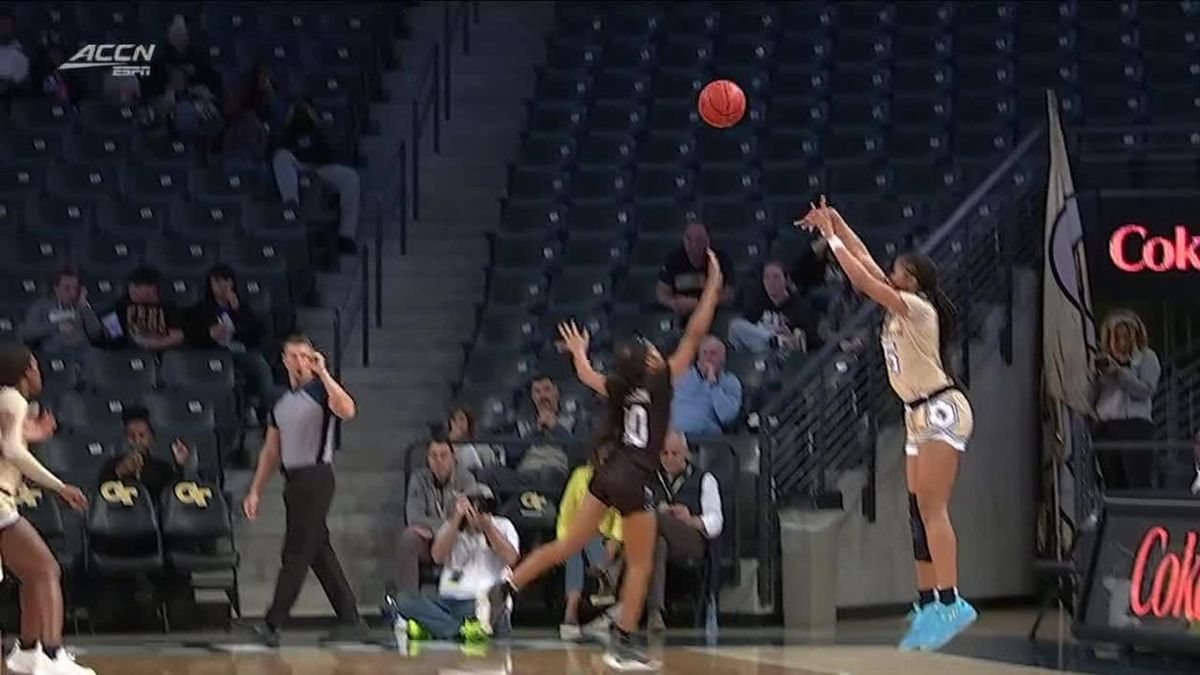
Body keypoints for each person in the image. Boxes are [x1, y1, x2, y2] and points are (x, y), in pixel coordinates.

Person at [481, 249, 724, 671]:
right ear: (649, 363)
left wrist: (578, 351)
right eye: (651, 350)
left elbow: (585, 375)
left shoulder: (618, 387)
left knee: (569, 544)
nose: (656, 350)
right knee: (643, 562)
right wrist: (714, 285)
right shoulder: (663, 379)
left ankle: (505, 588)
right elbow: (696, 332)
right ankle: (622, 643)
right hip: (635, 479)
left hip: (608, 472)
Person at [801, 196, 976, 652]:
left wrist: (832, 238)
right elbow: (866, 263)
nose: (889, 272)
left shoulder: (918, 309)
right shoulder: (901, 303)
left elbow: (859, 276)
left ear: (912, 281)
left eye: (896, 270)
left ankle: (953, 601)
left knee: (933, 508)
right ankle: (927, 603)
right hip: (916, 413)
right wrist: (834, 221)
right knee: (916, 513)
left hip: (940, 407)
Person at [240, 335, 364, 646]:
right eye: (293, 356)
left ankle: (272, 623)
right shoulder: (280, 401)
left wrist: (324, 373)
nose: (299, 362)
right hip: (293, 480)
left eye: (305, 356)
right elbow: (271, 450)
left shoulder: (322, 390)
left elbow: (348, 410)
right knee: (318, 551)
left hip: (316, 476)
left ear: (313, 359)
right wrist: (255, 490)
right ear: (283, 360)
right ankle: (351, 619)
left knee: (295, 552)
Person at [0, 344, 94, 675]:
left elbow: (9, 442)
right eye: (36, 366)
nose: (40, 372)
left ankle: (26, 652)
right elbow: (11, 450)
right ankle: (52, 657)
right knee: (46, 570)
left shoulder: (5, 401)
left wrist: (30, 433)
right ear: (26, 372)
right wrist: (60, 486)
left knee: (31, 574)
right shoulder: (14, 397)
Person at [392, 484, 519, 642]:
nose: (476, 510)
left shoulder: (503, 525)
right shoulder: (451, 527)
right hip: (447, 602)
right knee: (405, 601)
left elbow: (511, 558)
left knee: (491, 612)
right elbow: (437, 556)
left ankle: (441, 628)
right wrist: (457, 518)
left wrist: (487, 527)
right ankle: (460, 631)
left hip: (482, 603)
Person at [645, 432, 723, 632]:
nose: (669, 459)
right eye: (664, 454)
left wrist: (690, 520)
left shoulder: (705, 479)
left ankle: (614, 568)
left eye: (675, 453)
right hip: (658, 541)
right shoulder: (651, 480)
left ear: (686, 454)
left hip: (692, 541)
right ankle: (655, 613)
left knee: (655, 517)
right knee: (658, 543)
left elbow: (716, 521)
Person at [272, 99, 361, 253]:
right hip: (296, 164)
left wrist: (316, 122)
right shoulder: (285, 130)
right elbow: (274, 149)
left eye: (304, 109)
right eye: (297, 109)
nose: (301, 112)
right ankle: (292, 209)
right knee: (281, 157)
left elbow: (330, 151)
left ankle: (346, 236)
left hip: (321, 166)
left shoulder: (320, 129)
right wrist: (288, 123)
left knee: (351, 177)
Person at [186, 264, 277, 414]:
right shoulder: (201, 308)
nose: (221, 286)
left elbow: (258, 332)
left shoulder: (241, 307)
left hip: (241, 351)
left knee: (260, 363)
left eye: (225, 281)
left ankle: (267, 413)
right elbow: (193, 335)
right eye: (217, 282)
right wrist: (210, 334)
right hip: (215, 353)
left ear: (232, 283)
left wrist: (237, 311)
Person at [557, 443, 623, 641]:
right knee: (575, 544)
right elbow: (565, 513)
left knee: (583, 539)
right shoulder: (580, 476)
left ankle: (570, 614)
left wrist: (611, 549)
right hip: (578, 537)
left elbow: (621, 521)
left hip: (607, 541)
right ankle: (602, 582)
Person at [394, 439, 477, 594]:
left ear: (453, 457)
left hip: (457, 540)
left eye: (443, 455)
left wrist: (445, 529)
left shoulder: (467, 480)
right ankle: (408, 605)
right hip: (429, 541)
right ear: (428, 459)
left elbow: (469, 520)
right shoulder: (419, 479)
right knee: (408, 538)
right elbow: (414, 517)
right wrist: (441, 528)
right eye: (433, 456)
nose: (438, 461)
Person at [1091, 309, 1161, 491]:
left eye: (1126, 336)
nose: (1122, 342)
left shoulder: (1146, 357)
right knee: (1112, 482)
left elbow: (1146, 390)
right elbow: (1093, 396)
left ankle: (1141, 518)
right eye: (1117, 337)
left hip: (1134, 425)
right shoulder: (1102, 359)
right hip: (1106, 426)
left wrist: (1121, 374)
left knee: (1138, 482)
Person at [97, 405, 198, 501]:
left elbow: (173, 499)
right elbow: (99, 499)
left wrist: (179, 465)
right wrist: (118, 473)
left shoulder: (162, 468)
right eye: (131, 435)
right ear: (125, 438)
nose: (137, 440)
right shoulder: (112, 465)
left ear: (150, 438)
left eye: (141, 435)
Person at [727, 261, 819, 354]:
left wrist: (792, 333)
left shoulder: (799, 306)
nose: (771, 282)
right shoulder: (758, 303)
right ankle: (774, 340)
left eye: (776, 277)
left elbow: (807, 338)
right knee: (735, 325)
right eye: (766, 277)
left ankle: (776, 341)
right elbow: (746, 329)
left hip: (784, 355)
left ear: (787, 280)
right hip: (760, 351)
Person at [656, 222, 735, 319]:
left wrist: (697, 304)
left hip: (714, 314)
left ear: (708, 241)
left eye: (699, 239)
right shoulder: (673, 260)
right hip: (681, 314)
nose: (693, 244)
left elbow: (728, 295)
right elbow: (662, 293)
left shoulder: (721, 260)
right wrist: (673, 304)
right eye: (688, 239)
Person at [18, 267, 103, 354]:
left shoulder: (84, 307)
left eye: (75, 288)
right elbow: (28, 333)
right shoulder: (41, 307)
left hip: (81, 355)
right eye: (67, 288)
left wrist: (84, 306)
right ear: (56, 288)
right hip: (52, 354)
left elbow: (96, 334)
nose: (72, 293)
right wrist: (56, 327)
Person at [100, 265, 185, 352]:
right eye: (132, 285)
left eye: (138, 285)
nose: (132, 289)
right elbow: (114, 339)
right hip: (128, 356)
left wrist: (153, 344)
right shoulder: (115, 309)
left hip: (166, 356)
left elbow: (178, 335)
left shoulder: (169, 308)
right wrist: (136, 340)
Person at [670, 336, 742, 436]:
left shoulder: (730, 381)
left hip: (706, 436)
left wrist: (713, 385)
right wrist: (699, 374)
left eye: (713, 353)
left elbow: (727, 416)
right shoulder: (683, 376)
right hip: (675, 434)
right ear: (699, 357)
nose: (708, 357)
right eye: (705, 353)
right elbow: (678, 403)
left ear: (723, 359)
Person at [446, 406, 500, 471]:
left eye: (462, 419)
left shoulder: (480, 446)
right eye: (456, 419)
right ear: (451, 422)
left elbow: (492, 469)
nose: (458, 423)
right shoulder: (444, 445)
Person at [0, 9, 30, 103]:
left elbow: (23, 81)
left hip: (15, 100)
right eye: (1, 25)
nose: (3, 29)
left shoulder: (22, 52)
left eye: (7, 25)